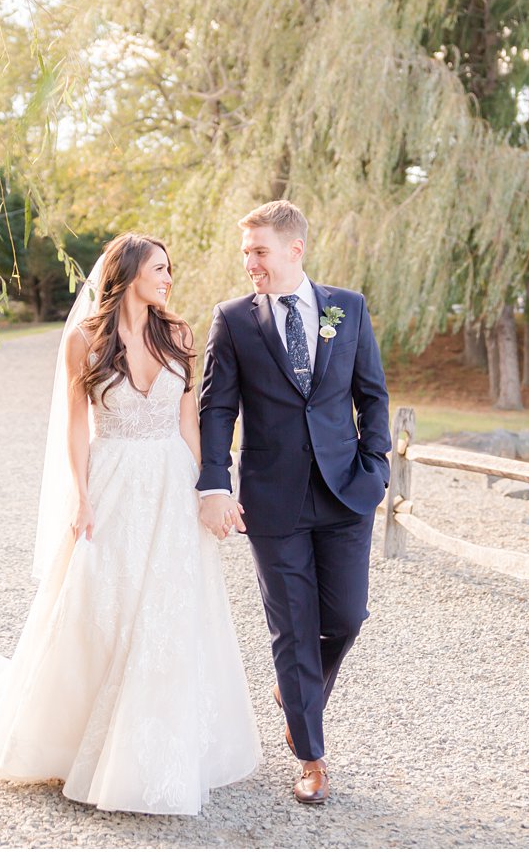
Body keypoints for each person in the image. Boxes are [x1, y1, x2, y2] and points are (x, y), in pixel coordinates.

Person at [0, 233, 260, 815]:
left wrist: (207, 488)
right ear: (128, 274)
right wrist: (80, 498)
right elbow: (77, 427)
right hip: (114, 480)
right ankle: (80, 736)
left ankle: (157, 744)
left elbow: (190, 420)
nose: (168, 277)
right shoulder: (84, 341)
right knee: (102, 604)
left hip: (172, 481)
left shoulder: (176, 334)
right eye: (159, 268)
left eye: (169, 269)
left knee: (170, 605)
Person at [197, 200, 390, 806]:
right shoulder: (232, 320)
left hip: (345, 492)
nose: (249, 262)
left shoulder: (347, 309)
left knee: (347, 617)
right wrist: (214, 482)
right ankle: (311, 756)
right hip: (272, 499)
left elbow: (373, 396)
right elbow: (216, 408)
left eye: (259, 251)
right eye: (246, 251)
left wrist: (377, 467)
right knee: (292, 631)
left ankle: (296, 692)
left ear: (294, 249)